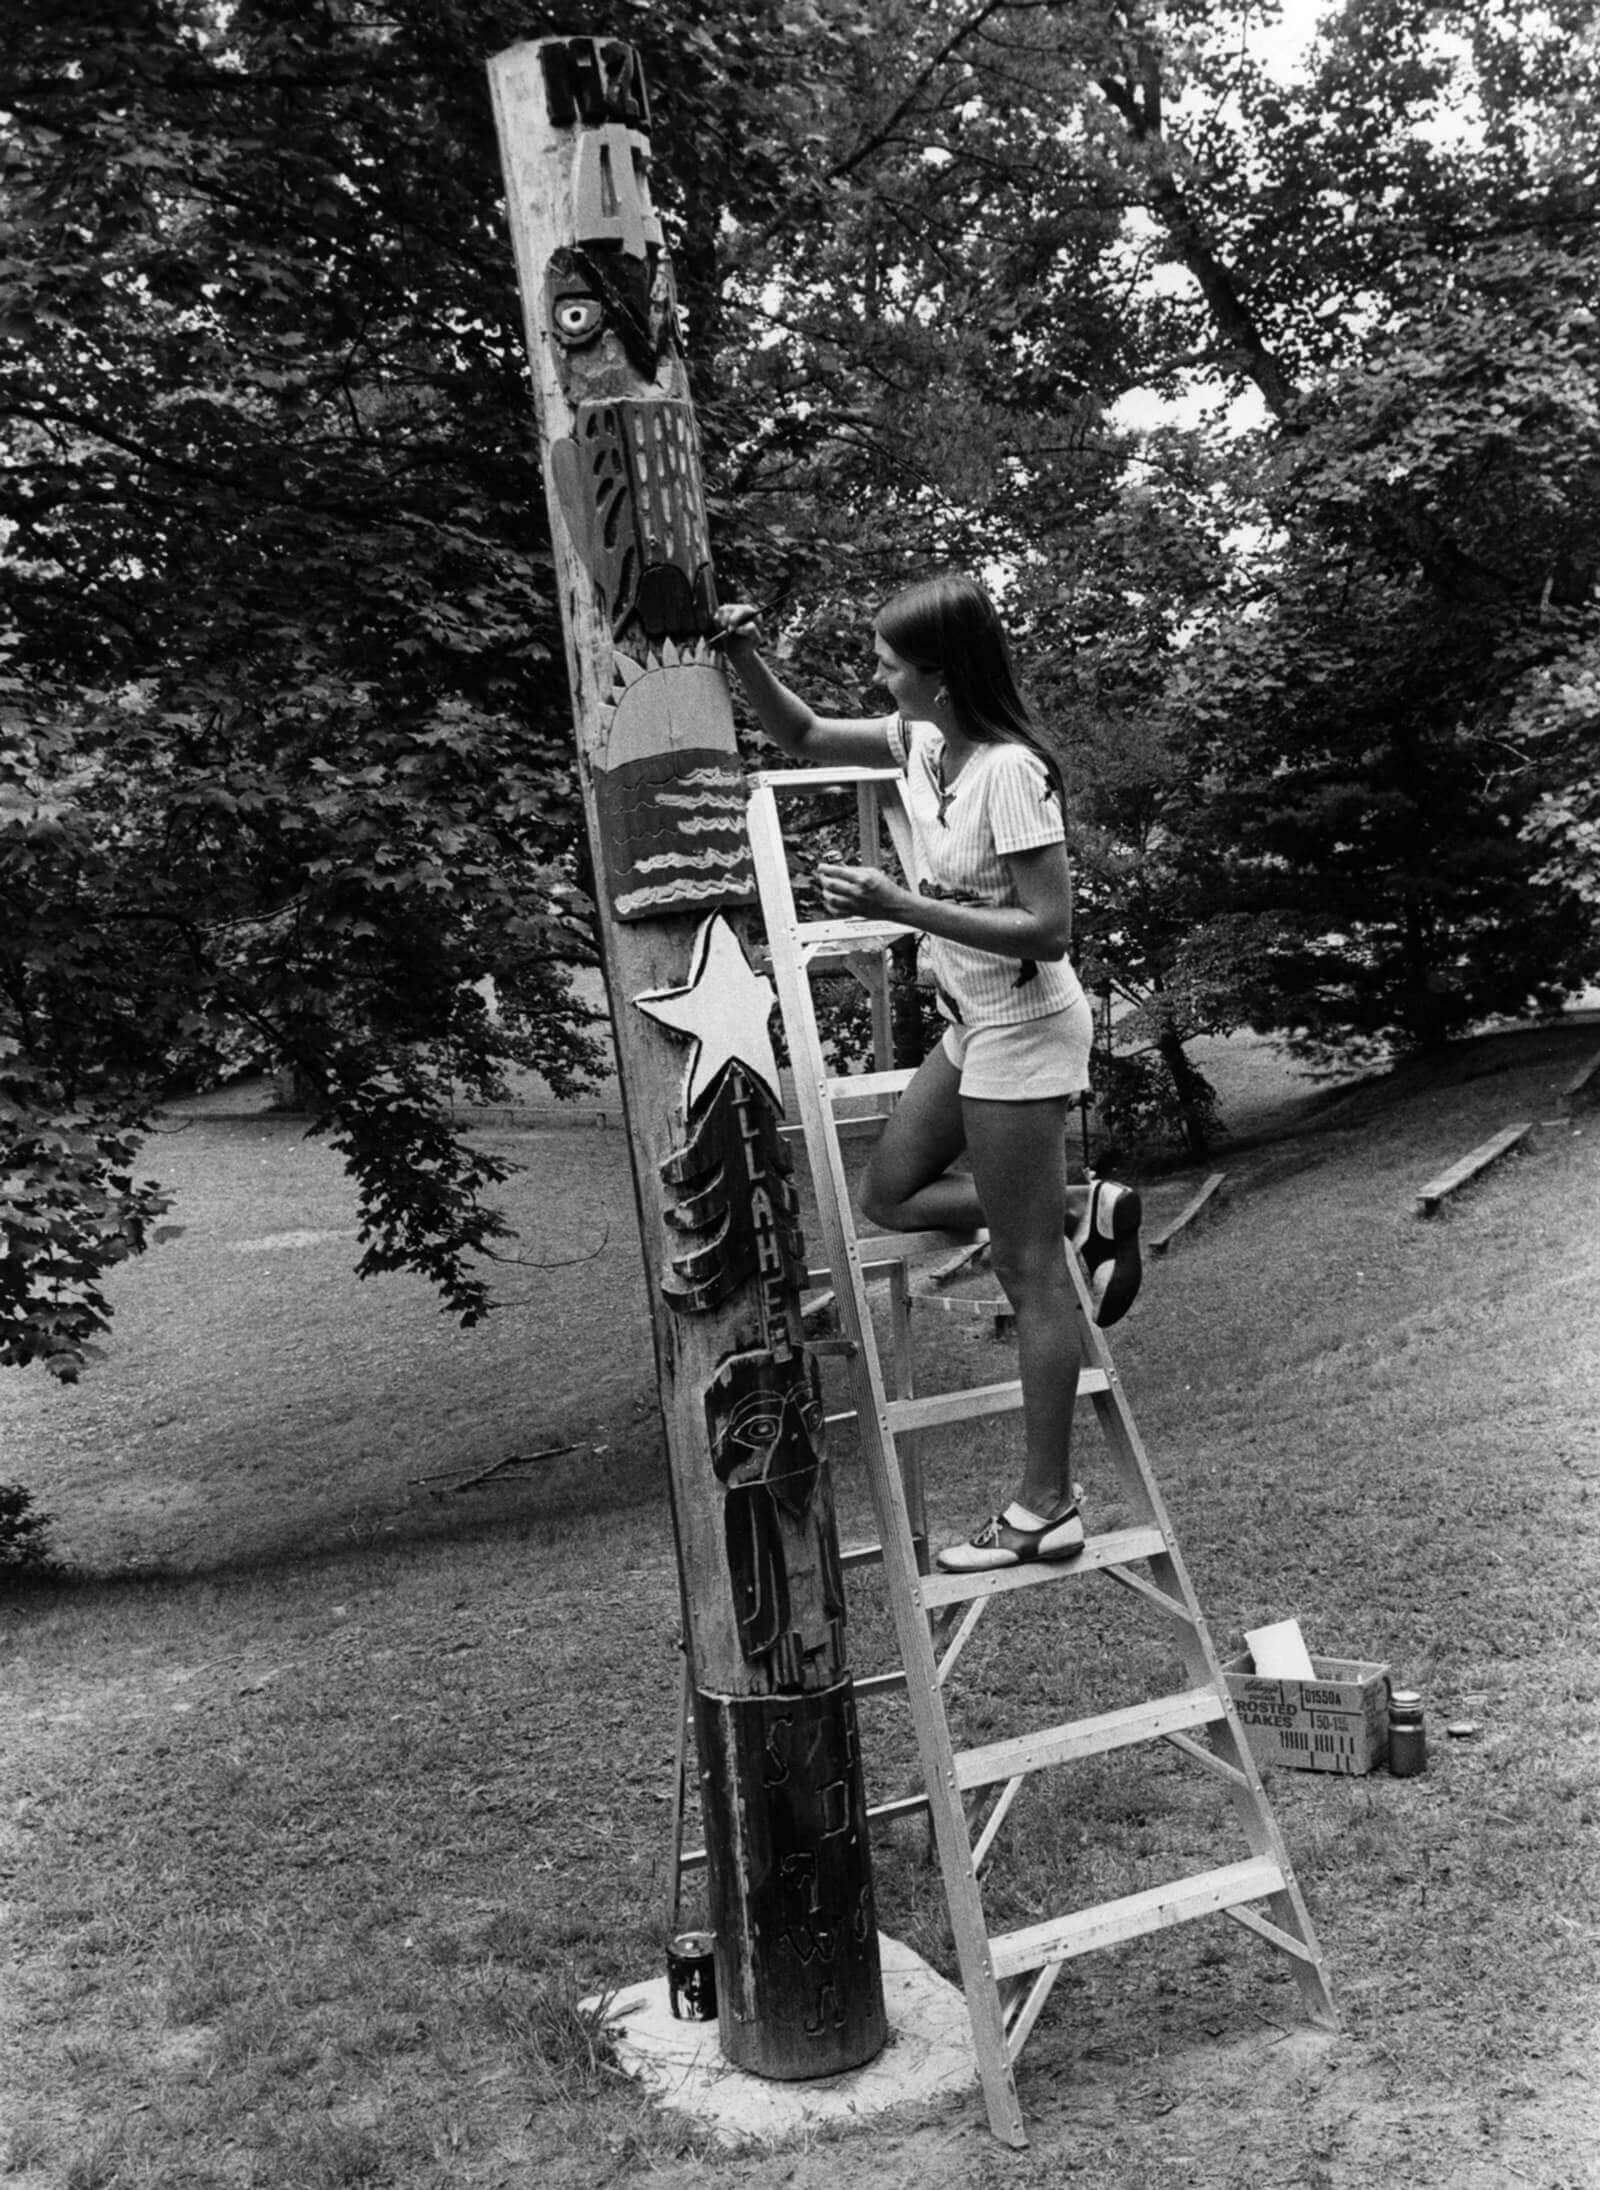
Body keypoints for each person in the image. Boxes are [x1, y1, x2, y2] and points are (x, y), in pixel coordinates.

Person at [715, 574, 1142, 1574]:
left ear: (941, 676)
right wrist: (741, 655)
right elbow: (808, 737)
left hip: (1025, 1031)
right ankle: (1077, 1202)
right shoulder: (919, 742)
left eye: (890, 663)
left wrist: (901, 906)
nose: (877, 675)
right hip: (969, 1025)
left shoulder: (1010, 772)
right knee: (891, 1192)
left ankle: (1047, 1507)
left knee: (1027, 1271)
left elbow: (1048, 928)